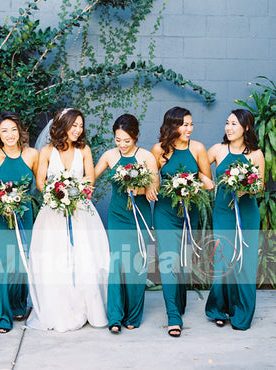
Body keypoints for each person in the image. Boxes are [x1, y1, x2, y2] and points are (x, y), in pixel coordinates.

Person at [26, 108, 110, 332]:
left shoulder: (84, 150)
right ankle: (59, 309)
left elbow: (90, 180)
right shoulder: (46, 151)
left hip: (80, 210)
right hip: (53, 212)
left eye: (81, 126)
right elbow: (41, 182)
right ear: (62, 125)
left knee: (85, 258)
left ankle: (87, 308)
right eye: (74, 125)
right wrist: (56, 194)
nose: (78, 130)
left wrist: (75, 192)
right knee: (54, 260)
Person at [0, 111, 39, 333]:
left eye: (13, 129)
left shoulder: (32, 154)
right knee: (0, 266)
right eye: (4, 131)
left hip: (24, 215)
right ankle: (2, 316)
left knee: (20, 262)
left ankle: (19, 305)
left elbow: (39, 185)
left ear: (20, 130)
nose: (10, 134)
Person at [95, 114, 159, 333]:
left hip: (138, 216)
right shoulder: (109, 156)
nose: (121, 145)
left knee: (136, 266)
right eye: (117, 140)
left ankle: (133, 314)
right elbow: (90, 178)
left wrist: (140, 189)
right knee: (117, 264)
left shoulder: (147, 157)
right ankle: (115, 316)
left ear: (136, 137)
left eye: (126, 141)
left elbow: (154, 189)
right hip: (117, 216)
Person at [151, 106, 212, 337]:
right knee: (168, 261)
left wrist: (204, 181)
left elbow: (205, 176)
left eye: (191, 124)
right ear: (172, 125)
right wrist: (148, 185)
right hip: (165, 212)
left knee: (182, 260)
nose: (189, 128)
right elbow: (152, 178)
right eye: (184, 124)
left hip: (190, 212)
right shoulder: (158, 150)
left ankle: (180, 300)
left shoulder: (197, 148)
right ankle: (173, 317)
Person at [205, 109, 265, 330]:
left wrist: (246, 187)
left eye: (234, 124)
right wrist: (204, 179)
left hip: (247, 213)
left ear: (246, 128)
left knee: (245, 263)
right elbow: (198, 167)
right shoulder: (218, 150)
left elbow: (260, 185)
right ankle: (219, 309)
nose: (228, 128)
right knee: (223, 259)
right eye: (227, 123)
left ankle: (242, 313)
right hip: (223, 212)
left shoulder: (256, 154)